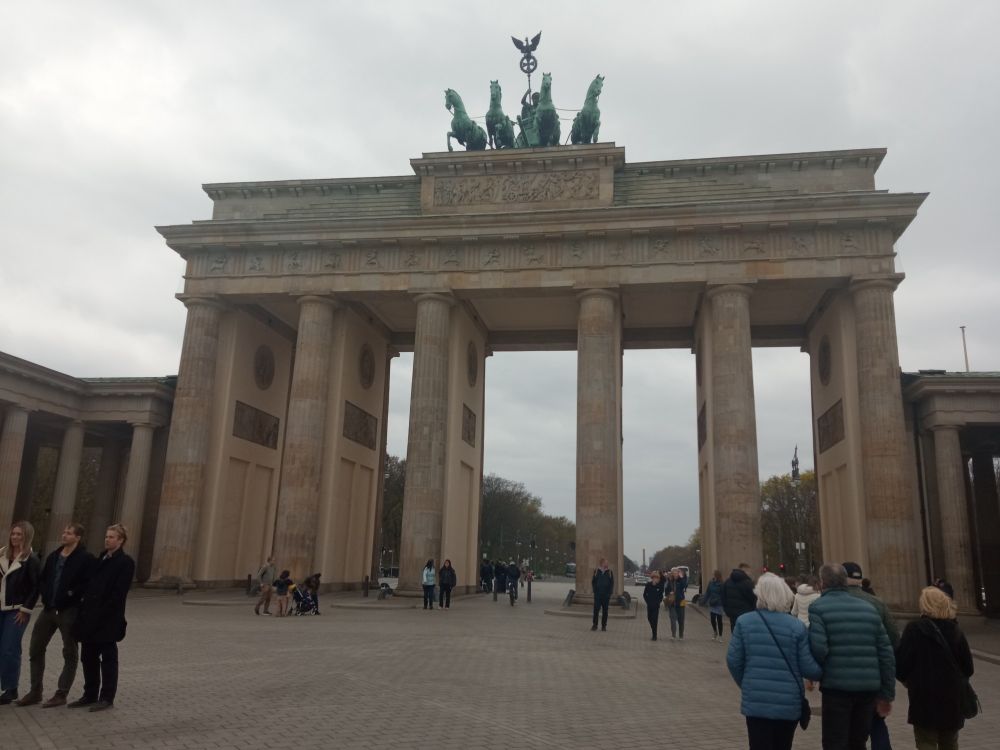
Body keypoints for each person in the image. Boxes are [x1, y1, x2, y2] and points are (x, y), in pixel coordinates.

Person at [727, 572, 822, 750]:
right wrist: (823, 672)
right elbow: (808, 667)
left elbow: (733, 660)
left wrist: (747, 683)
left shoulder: (744, 622)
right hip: (788, 702)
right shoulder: (796, 626)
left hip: (756, 701)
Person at [808, 563, 895, 750]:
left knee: (835, 742)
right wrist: (887, 693)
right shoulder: (869, 608)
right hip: (867, 689)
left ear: (823, 583)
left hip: (836, 688)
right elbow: (886, 653)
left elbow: (819, 649)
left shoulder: (818, 608)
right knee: (858, 742)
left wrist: (815, 674)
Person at [17, 523, 93, 708]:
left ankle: (61, 693)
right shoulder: (54, 556)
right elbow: (43, 579)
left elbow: (87, 583)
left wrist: (70, 595)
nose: (64, 535)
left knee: (70, 652)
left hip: (69, 611)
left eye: (69, 533)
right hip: (48, 610)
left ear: (78, 537)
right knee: (35, 648)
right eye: (64, 531)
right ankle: (35, 691)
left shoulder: (86, 558)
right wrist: (45, 594)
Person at [896, 586, 975, 750]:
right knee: (950, 743)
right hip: (952, 697)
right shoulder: (955, 630)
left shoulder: (914, 629)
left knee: (926, 742)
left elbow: (901, 666)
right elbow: (968, 668)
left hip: (923, 697)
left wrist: (909, 681)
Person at [69, 524, 135, 712]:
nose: (107, 540)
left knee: (108, 658)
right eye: (107, 536)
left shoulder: (125, 562)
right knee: (88, 657)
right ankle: (89, 694)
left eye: (112, 537)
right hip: (90, 617)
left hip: (108, 619)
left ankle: (106, 697)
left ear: (121, 540)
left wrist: (102, 611)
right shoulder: (101, 558)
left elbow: (118, 594)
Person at [842, 561, 900, 750]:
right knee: (877, 725)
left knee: (848, 731)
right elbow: (893, 642)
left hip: (841, 679)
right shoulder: (878, 603)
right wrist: (889, 690)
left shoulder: (830, 602)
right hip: (873, 676)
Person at [0, 520, 41, 705]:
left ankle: (11, 688)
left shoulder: (31, 560)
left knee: (10, 649)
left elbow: (35, 587)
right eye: (13, 534)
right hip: (0, 607)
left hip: (16, 611)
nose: (15, 537)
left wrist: (25, 610)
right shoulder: (2, 554)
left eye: (19, 535)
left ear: (27, 537)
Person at [722, 562, 757, 633]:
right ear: (745, 571)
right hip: (747, 615)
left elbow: (723, 598)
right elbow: (754, 599)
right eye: (749, 571)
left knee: (735, 634)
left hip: (732, 616)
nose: (750, 573)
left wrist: (727, 611)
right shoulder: (748, 583)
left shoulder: (727, 582)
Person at [591, 558, 613, 632]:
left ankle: (604, 626)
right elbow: (593, 582)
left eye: (607, 563)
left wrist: (609, 593)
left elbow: (612, 583)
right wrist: (595, 591)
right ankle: (595, 625)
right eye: (606, 562)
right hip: (598, 595)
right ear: (602, 563)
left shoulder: (610, 572)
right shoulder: (596, 571)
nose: (607, 564)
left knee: (605, 611)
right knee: (596, 610)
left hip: (606, 596)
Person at [704, 569, 725, 642]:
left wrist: (723, 603)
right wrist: (704, 600)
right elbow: (708, 592)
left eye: (714, 574)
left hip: (719, 604)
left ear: (717, 575)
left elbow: (723, 594)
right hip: (712, 603)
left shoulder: (721, 584)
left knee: (719, 620)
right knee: (712, 619)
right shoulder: (711, 582)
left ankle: (720, 636)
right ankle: (715, 632)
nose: (713, 575)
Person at [642, 570, 664, 640]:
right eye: (654, 577)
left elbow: (661, 596)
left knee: (655, 620)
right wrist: (647, 601)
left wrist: (659, 602)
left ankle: (654, 635)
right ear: (652, 578)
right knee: (649, 618)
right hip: (649, 605)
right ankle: (653, 630)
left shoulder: (660, 586)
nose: (655, 579)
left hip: (656, 606)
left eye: (657, 578)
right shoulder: (648, 585)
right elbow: (644, 594)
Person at [667, 567, 688, 639]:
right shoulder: (670, 581)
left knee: (681, 620)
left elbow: (685, 586)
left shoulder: (681, 580)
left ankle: (681, 635)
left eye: (676, 573)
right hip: (672, 603)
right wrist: (669, 592)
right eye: (673, 573)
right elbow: (666, 590)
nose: (675, 574)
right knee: (673, 620)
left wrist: (682, 578)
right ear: (672, 574)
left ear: (678, 573)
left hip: (681, 602)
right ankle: (673, 635)